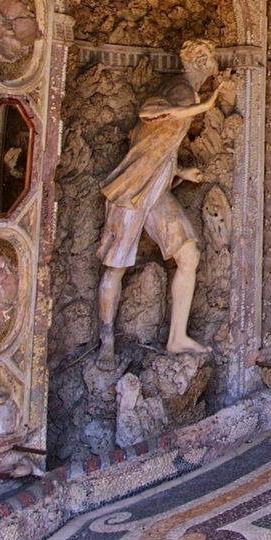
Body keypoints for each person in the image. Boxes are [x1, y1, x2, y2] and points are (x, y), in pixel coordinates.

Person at [96, 39, 226, 364]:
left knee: (188, 255)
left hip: (156, 190)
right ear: (199, 62)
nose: (212, 64)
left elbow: (156, 143)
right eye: (208, 58)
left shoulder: (186, 92)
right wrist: (204, 106)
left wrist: (181, 172)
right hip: (132, 188)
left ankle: (177, 338)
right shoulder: (180, 89)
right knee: (116, 266)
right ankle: (106, 340)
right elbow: (148, 112)